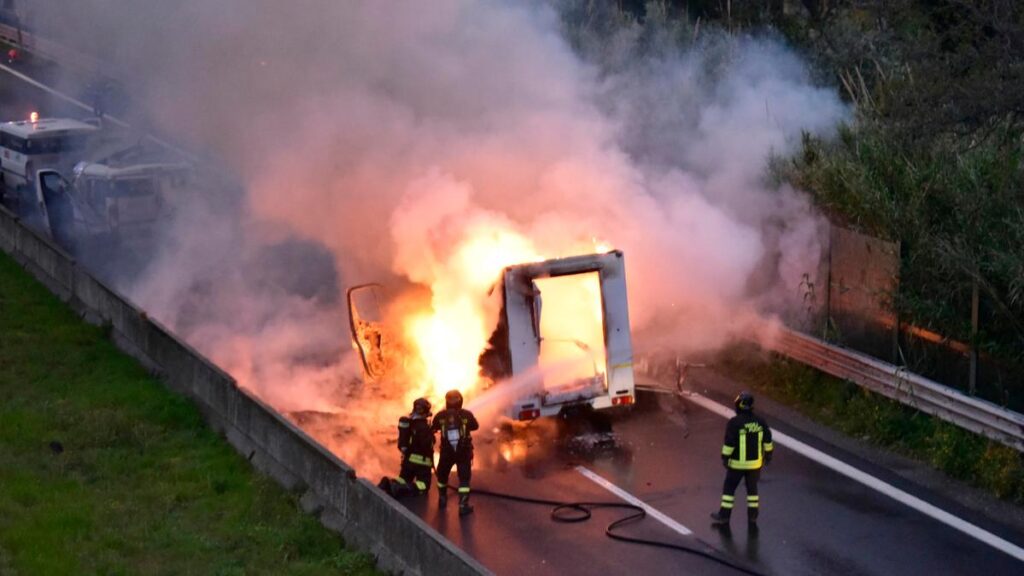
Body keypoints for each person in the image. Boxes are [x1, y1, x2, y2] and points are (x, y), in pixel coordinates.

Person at [710, 391, 773, 528]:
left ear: (740, 405)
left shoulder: (734, 423)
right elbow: (768, 440)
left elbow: (729, 443)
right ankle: (753, 516)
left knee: (729, 489)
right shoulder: (760, 421)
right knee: (752, 491)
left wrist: (725, 457)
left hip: (737, 465)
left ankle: (724, 516)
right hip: (755, 465)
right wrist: (768, 455)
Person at [432, 390, 479, 516]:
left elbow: (433, 427)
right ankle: (463, 506)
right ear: (460, 400)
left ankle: (442, 498)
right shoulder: (466, 414)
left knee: (442, 476)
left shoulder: (440, 416)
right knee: (464, 479)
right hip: (463, 451)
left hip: (446, 452)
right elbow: (475, 426)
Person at [392, 397, 435, 497]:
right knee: (424, 485)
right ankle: (403, 488)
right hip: (422, 463)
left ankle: (390, 486)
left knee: (403, 479)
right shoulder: (424, 427)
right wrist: (432, 437)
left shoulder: (410, 423)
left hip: (408, 460)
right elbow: (426, 445)